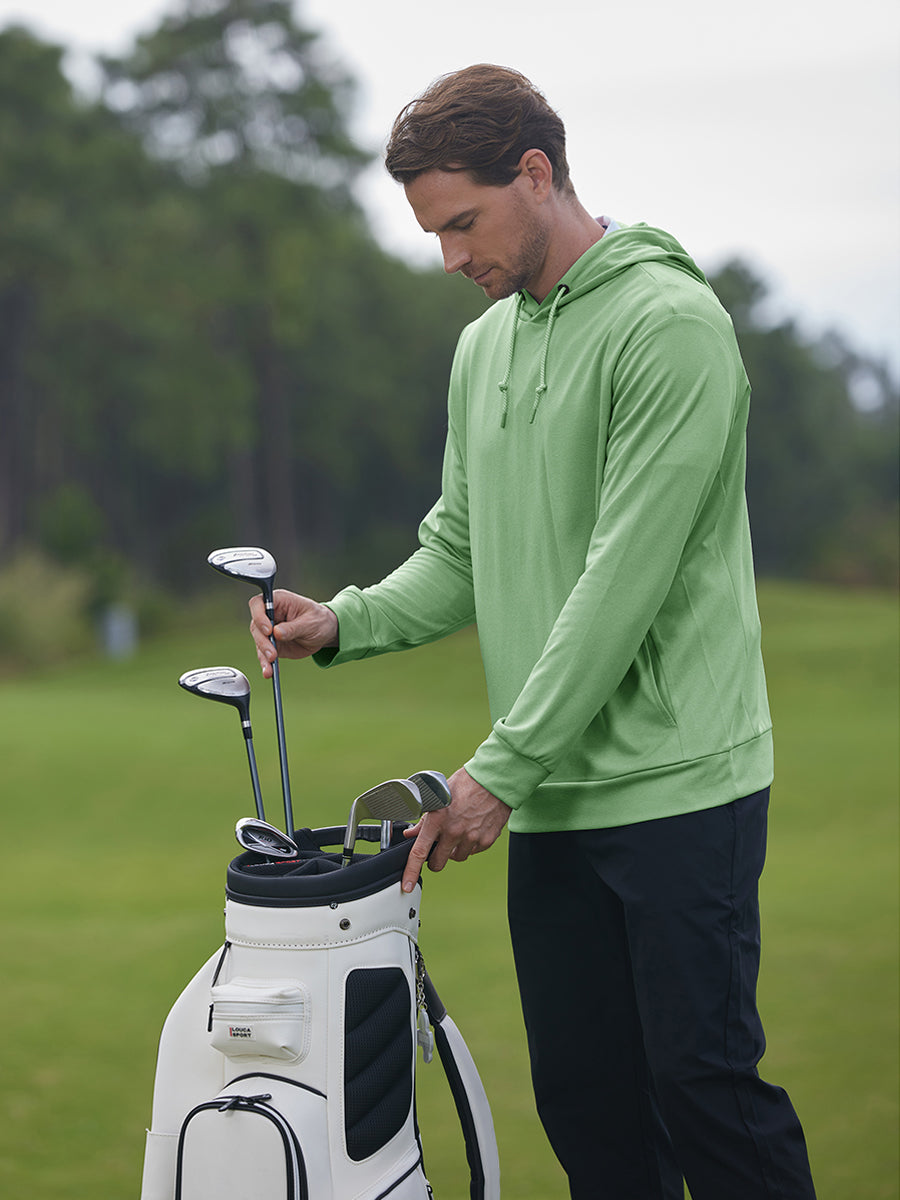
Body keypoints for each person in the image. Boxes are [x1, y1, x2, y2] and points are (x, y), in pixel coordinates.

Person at [249, 63, 817, 1200]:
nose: (450, 258)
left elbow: (622, 582)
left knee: (705, 1093)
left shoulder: (670, 326)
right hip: (555, 797)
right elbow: (462, 551)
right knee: (587, 1108)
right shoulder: (484, 347)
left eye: (462, 223)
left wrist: (497, 773)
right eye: (433, 233)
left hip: (678, 789)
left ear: (536, 172)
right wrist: (344, 621)